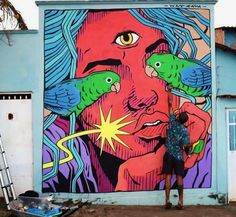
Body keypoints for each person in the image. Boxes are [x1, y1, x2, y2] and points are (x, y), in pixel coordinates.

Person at [42, 9, 212, 193]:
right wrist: (128, 187)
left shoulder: (204, 155)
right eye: (109, 72)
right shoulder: (51, 155)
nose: (144, 97)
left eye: (159, 60)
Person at [163, 85, 192, 210]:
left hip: (169, 154)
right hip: (179, 157)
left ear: (178, 117)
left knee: (168, 176)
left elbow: (170, 104)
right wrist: (191, 144)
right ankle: (180, 202)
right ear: (185, 121)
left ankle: (167, 200)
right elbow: (185, 146)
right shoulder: (185, 131)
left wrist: (169, 91)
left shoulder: (172, 121)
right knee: (179, 178)